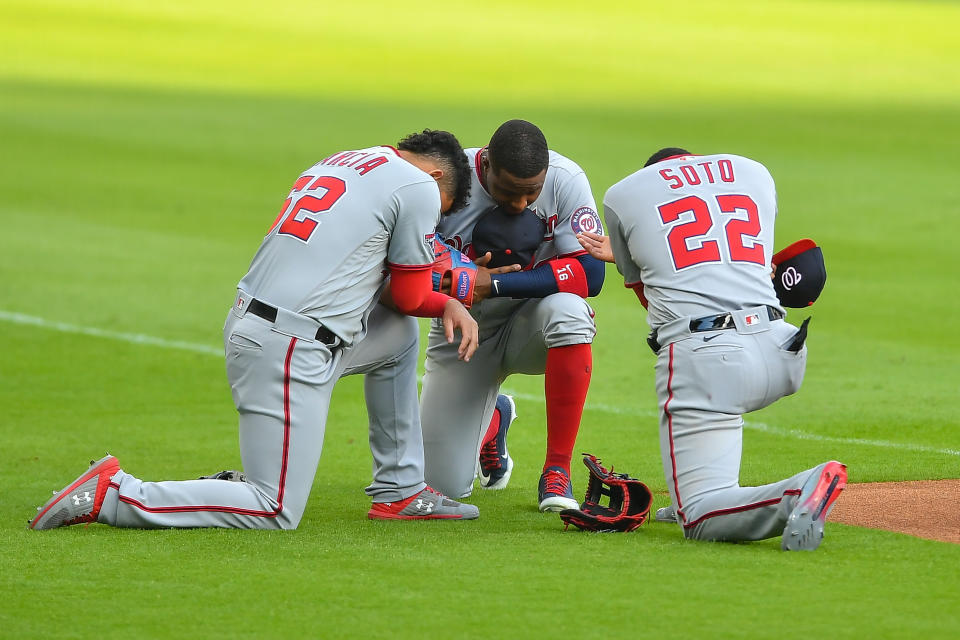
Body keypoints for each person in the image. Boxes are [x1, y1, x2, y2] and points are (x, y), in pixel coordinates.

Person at [30, 129, 484, 531]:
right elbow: (407, 295)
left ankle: (401, 491)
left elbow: (382, 294)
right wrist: (452, 302)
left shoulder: (345, 161)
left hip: (262, 325)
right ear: (437, 178)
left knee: (398, 338)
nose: (433, 220)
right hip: (290, 347)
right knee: (275, 508)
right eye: (440, 211)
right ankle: (115, 495)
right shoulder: (419, 187)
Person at [577, 147, 847, 550]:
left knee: (699, 518)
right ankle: (700, 486)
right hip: (783, 346)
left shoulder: (624, 195)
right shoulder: (754, 171)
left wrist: (629, 257)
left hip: (713, 358)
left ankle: (794, 492)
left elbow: (651, 299)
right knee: (718, 413)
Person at [420, 120, 606, 512]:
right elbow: (409, 262)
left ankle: (557, 470)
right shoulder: (448, 176)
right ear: (485, 164)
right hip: (464, 326)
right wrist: (467, 280)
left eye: (531, 193)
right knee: (444, 484)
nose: (521, 204)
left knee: (570, 311)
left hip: (534, 320)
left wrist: (496, 285)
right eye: (509, 191)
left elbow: (591, 273)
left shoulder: (565, 178)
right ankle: (492, 422)